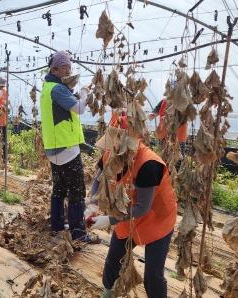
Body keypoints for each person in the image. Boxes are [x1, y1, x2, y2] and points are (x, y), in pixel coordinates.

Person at [88, 116, 178, 298]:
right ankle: (108, 292)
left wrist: (109, 219)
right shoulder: (109, 154)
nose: (113, 149)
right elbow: (98, 180)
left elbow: (143, 208)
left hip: (157, 219)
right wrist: (91, 204)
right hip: (125, 214)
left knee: (153, 273)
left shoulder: (149, 164)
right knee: (114, 259)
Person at [40, 50, 96, 242]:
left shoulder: (48, 87)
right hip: (66, 148)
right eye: (65, 66)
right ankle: (79, 233)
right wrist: (84, 93)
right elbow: (79, 109)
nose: (68, 70)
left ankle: (56, 224)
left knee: (59, 188)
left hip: (53, 147)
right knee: (77, 190)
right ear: (54, 68)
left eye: (70, 67)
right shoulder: (57, 89)